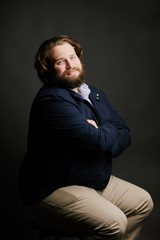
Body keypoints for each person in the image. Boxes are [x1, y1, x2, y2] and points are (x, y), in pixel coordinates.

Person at [18, 35, 153, 240]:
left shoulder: (93, 93)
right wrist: (105, 132)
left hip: (88, 177)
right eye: (60, 61)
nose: (70, 65)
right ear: (48, 68)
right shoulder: (52, 101)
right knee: (115, 222)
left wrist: (101, 130)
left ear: (79, 58)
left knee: (143, 202)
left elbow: (124, 133)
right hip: (53, 187)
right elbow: (100, 141)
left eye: (72, 57)